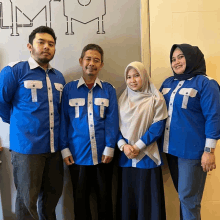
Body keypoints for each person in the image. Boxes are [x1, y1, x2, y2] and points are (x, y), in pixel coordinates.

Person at [0, 26, 65, 220]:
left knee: (51, 199)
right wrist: (21, 127)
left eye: (51, 44)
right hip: (27, 150)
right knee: (27, 202)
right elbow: (2, 104)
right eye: (41, 42)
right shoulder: (14, 71)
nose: (46, 47)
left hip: (53, 149)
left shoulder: (58, 77)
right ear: (30, 46)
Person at [160, 44, 220, 220]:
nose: (176, 62)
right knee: (184, 197)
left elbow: (214, 117)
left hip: (192, 153)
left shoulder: (206, 83)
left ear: (192, 57)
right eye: (173, 59)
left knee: (189, 199)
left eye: (180, 57)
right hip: (170, 150)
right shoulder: (168, 82)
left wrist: (209, 151)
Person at [59, 44, 119, 220]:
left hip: (103, 155)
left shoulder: (109, 90)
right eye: (88, 59)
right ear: (81, 61)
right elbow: (63, 120)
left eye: (96, 60)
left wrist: (110, 147)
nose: (91, 63)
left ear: (101, 64)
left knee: (105, 200)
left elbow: (112, 120)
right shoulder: (68, 90)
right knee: (80, 201)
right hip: (77, 155)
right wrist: (64, 149)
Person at [117, 61, 168, 220]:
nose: (132, 80)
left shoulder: (156, 98)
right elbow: (115, 126)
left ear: (144, 76)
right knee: (129, 202)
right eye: (129, 77)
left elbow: (157, 126)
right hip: (126, 158)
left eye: (136, 75)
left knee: (147, 203)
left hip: (147, 158)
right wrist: (123, 146)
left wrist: (138, 146)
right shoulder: (122, 99)